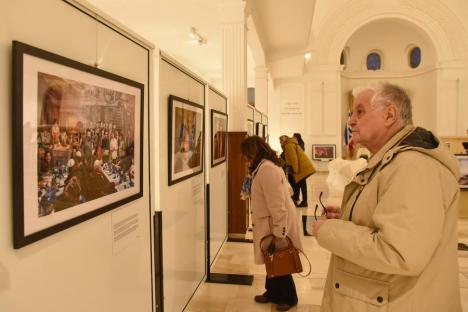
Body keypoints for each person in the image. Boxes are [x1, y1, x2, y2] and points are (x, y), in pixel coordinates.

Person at [313, 82, 461, 311]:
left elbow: (399, 252)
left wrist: (328, 230)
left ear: (389, 115)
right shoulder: (392, 163)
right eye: (351, 113)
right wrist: (347, 217)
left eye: (360, 112)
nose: (351, 121)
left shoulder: (413, 167)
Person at [241, 136, 303, 311]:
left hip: (274, 222)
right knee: (271, 258)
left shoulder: (267, 169)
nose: (246, 158)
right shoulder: (263, 166)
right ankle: (273, 292)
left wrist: (279, 233)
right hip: (268, 221)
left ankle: (289, 298)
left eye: (247, 154)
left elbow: (277, 205)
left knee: (279, 257)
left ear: (255, 151)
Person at [279, 135, 315, 207]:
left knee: (299, 183)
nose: (280, 142)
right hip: (303, 166)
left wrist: (296, 170)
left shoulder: (288, 146)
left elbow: (294, 159)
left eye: (281, 141)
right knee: (301, 184)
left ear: (285, 140)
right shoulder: (289, 144)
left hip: (301, 168)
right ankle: (302, 201)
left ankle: (297, 198)